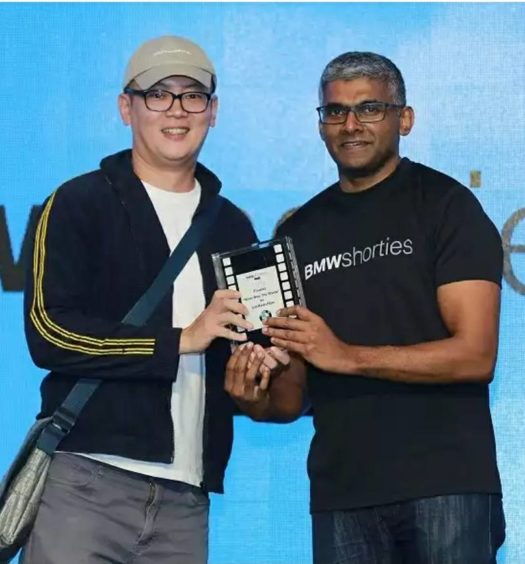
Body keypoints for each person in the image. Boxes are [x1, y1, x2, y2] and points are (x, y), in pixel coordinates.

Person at [226, 51, 505, 563]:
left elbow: (475, 355)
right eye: (335, 111)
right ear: (321, 125)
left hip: (446, 483)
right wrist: (254, 397)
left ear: (405, 118)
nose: (350, 125)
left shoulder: (446, 206)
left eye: (369, 108)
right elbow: (292, 397)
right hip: (342, 492)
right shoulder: (298, 232)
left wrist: (348, 356)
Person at [22, 35, 258, 564]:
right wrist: (180, 340)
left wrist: (260, 365)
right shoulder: (78, 202)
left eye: (192, 95)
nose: (176, 110)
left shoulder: (233, 226)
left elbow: (240, 352)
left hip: (187, 499)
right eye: (158, 94)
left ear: (213, 111)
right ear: (126, 107)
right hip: (86, 481)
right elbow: (49, 332)